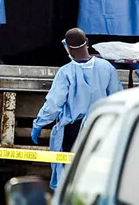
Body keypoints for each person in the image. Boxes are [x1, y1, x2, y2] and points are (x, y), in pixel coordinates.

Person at [30, 28, 123, 189]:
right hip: (101, 129)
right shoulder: (106, 68)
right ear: (87, 43)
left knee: (71, 177)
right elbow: (118, 99)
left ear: (68, 48)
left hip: (72, 133)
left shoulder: (66, 72)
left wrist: (39, 124)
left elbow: (53, 105)